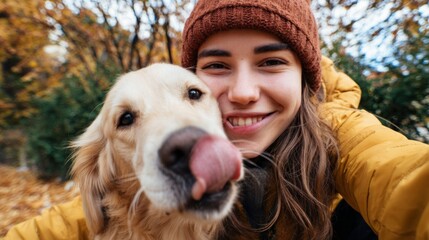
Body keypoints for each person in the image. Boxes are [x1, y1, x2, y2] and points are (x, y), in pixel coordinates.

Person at [3, 0, 429, 239]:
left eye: (272, 62)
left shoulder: (346, 138)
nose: (243, 93)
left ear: (305, 80)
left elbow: (404, 179)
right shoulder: (119, 186)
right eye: (217, 67)